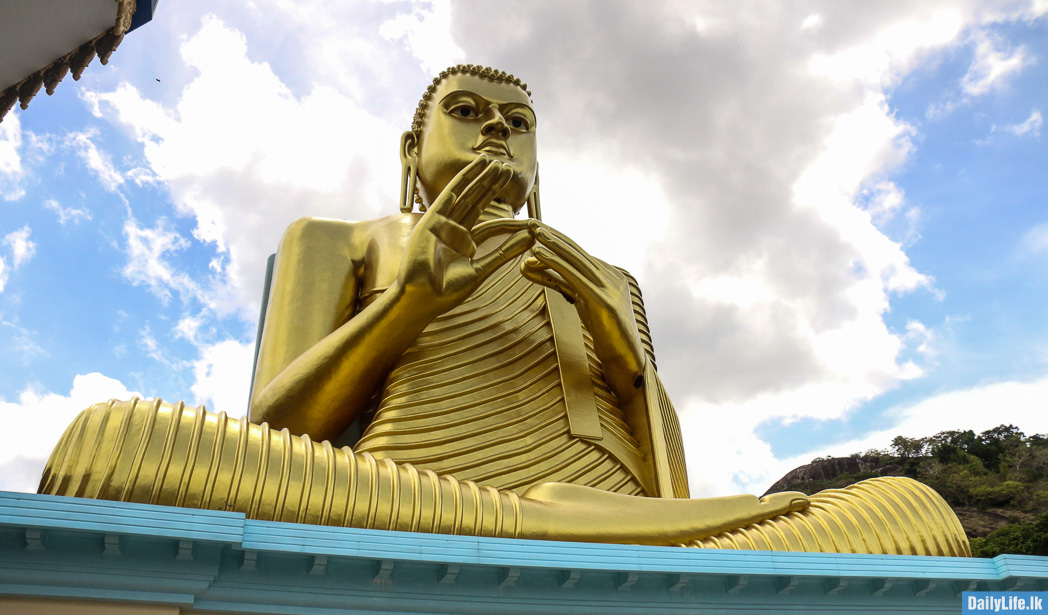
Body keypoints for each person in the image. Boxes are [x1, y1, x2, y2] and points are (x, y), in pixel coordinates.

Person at [38, 65, 968, 555]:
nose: (495, 129)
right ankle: (551, 529)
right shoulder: (343, 238)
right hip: (400, 504)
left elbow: (671, 493)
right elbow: (279, 431)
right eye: (470, 111)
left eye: (516, 122)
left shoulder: (605, 276)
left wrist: (625, 348)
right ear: (413, 143)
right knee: (116, 443)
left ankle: (580, 533)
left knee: (915, 509)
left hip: (633, 524)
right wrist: (403, 307)